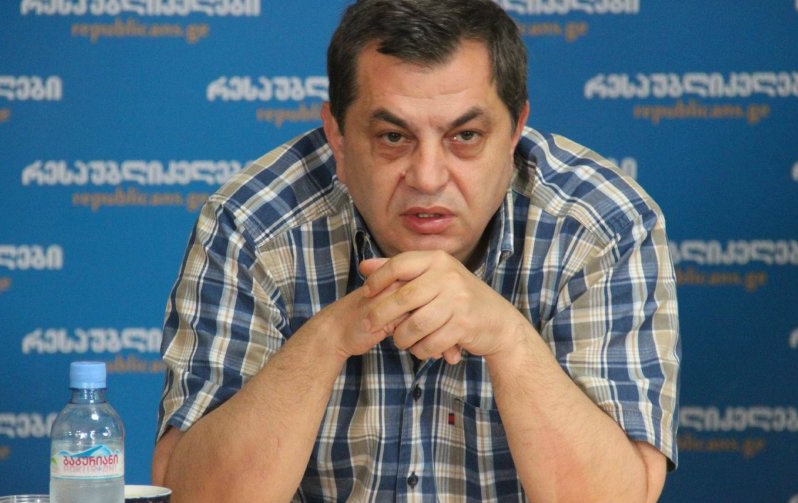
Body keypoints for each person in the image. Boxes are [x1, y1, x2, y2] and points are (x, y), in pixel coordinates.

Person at [151, 0, 680, 501]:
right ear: (337, 135)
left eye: (465, 136)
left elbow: (618, 496)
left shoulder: (600, 227)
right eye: (392, 137)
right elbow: (191, 494)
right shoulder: (253, 226)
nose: (428, 178)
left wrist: (510, 341)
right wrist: (330, 337)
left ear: (515, 131)